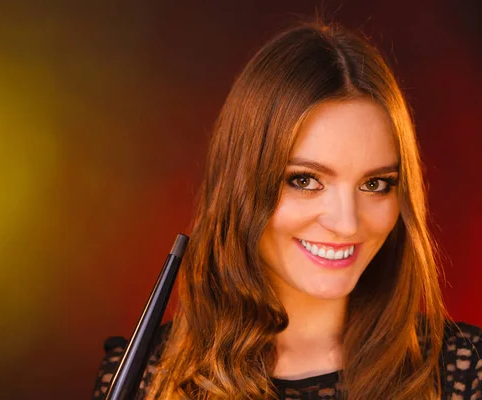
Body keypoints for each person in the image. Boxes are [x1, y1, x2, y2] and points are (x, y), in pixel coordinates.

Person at [92, 20, 482, 400]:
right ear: (242, 184)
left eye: (375, 184)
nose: (346, 223)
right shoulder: (143, 377)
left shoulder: (464, 373)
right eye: (305, 180)